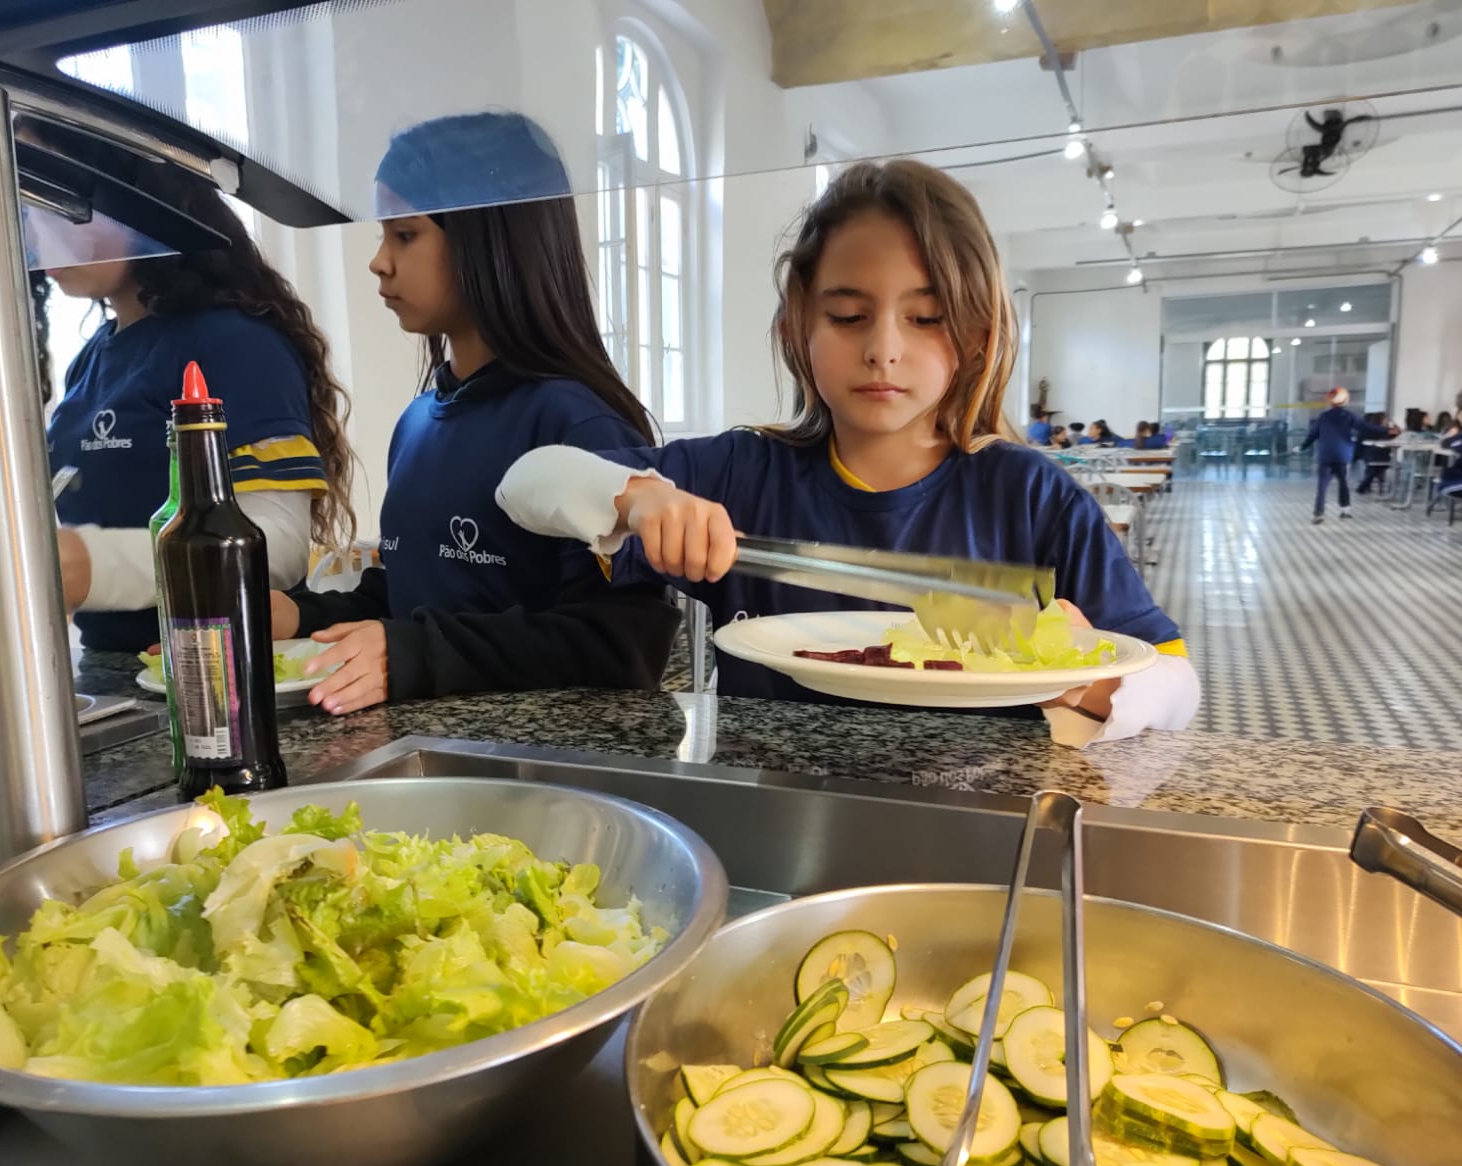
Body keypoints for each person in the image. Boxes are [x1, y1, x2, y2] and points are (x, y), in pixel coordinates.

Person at [499, 159, 1199, 748]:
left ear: (979, 335)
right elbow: (528, 479)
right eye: (847, 316)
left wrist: (1092, 674)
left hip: (981, 833)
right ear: (798, 322)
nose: (883, 349)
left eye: (926, 319)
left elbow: (1179, 686)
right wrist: (642, 496)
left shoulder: (1029, 496)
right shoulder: (742, 474)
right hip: (776, 821)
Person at [270, 112, 679, 714]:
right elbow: (419, 597)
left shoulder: (579, 426)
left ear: (490, 240)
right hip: (428, 750)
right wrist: (301, 615)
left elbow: (621, 642)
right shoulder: (417, 422)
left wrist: (416, 656)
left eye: (405, 234)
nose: (378, 262)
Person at [36, 125, 355, 653]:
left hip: (215, 671)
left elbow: (277, 549)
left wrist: (92, 563)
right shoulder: (93, 355)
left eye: (62, 200)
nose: (42, 228)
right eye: (34, 205)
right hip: (115, 668)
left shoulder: (235, 343)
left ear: (138, 201)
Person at [1301, 388, 1398, 524]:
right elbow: (1367, 427)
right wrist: (1388, 430)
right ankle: (1345, 510)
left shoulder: (1323, 417)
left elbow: (1312, 435)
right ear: (1346, 400)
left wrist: (1302, 447)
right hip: (1342, 455)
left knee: (1322, 485)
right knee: (1343, 482)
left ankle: (1319, 513)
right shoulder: (1349, 416)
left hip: (1325, 455)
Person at [1354, 412, 1394, 495]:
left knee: (1374, 469)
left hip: (1371, 455)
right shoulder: (1381, 430)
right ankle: (1366, 485)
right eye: (1385, 419)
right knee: (1376, 468)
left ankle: (1365, 486)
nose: (1387, 421)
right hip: (1377, 455)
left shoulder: (1379, 430)